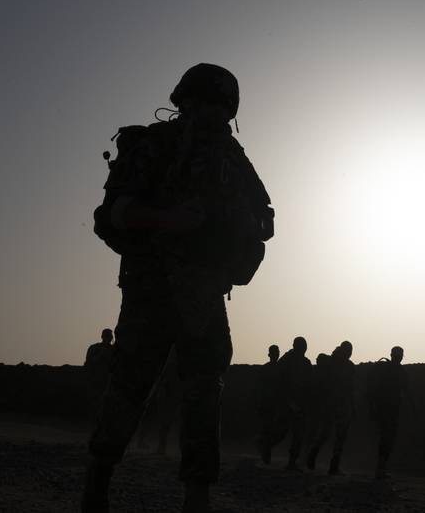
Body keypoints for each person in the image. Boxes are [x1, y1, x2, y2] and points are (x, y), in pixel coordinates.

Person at [83, 63, 274, 513]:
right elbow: (108, 214)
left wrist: (234, 228)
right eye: (204, 104)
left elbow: (265, 218)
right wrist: (168, 220)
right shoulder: (152, 145)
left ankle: (197, 494)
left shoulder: (233, 159)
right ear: (183, 102)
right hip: (151, 286)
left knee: (204, 394)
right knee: (130, 385)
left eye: (219, 108)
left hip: (204, 293)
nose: (211, 116)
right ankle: (98, 479)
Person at [306, 340, 355, 475]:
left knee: (330, 434)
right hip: (335, 404)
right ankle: (329, 463)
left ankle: (317, 456)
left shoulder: (335, 364)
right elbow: (349, 388)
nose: (350, 354)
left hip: (334, 404)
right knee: (335, 435)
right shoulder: (342, 365)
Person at [263, 336, 312, 470]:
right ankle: (266, 445)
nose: (304, 348)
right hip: (286, 402)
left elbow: (309, 384)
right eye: (301, 345)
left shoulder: (305, 363)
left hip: (299, 404)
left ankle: (292, 462)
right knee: (281, 432)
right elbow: (279, 381)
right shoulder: (287, 360)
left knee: (298, 434)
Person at [369, 346, 415, 479]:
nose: (398, 358)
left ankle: (381, 467)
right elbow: (406, 392)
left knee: (388, 438)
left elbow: (406, 391)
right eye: (398, 355)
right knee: (386, 437)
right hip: (386, 409)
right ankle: (380, 468)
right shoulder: (393, 371)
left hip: (391, 410)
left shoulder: (398, 372)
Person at [254, 344, 280, 463]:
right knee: (268, 430)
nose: (276, 354)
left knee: (272, 431)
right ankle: (266, 454)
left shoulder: (278, 369)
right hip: (268, 404)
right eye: (275, 352)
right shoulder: (269, 369)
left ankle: (264, 450)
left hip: (274, 403)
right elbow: (260, 388)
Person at [83, 329, 114, 420]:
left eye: (109, 336)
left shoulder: (114, 350)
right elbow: (88, 363)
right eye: (106, 336)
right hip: (96, 379)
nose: (107, 338)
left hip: (108, 379)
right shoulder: (94, 348)